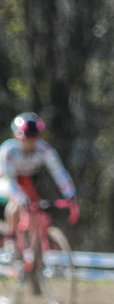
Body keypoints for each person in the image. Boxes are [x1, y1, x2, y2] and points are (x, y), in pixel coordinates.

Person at [0, 114, 79, 271]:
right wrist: (21, 199)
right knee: (17, 204)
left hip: (24, 181)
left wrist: (70, 194)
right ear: (18, 136)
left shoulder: (44, 149)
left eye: (34, 137)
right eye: (26, 137)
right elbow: (10, 181)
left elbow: (58, 172)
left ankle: (33, 259)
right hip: (5, 180)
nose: (30, 141)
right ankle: (11, 242)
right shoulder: (8, 151)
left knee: (36, 213)